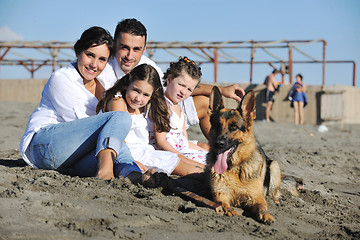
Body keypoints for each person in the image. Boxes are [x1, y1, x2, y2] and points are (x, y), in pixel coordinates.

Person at [20, 26, 156, 186]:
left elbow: (107, 136)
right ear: (78, 52)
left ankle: (133, 175)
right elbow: (89, 124)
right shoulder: (62, 78)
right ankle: (105, 172)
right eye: (90, 55)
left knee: (114, 149)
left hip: (72, 158)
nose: (94, 64)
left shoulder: (105, 84)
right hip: (45, 146)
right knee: (119, 118)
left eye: (102, 59)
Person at [99, 18, 245, 140]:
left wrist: (222, 90)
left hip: (158, 119)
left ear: (144, 49)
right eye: (124, 48)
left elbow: (176, 86)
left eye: (136, 49)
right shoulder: (103, 69)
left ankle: (219, 147)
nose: (130, 56)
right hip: (131, 128)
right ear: (114, 46)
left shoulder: (148, 65)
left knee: (205, 102)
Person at [96, 63, 205, 177]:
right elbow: (117, 137)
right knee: (185, 167)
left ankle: (212, 173)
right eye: (136, 90)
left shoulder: (144, 107)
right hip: (131, 154)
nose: (138, 98)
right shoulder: (118, 102)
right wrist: (130, 161)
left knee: (188, 163)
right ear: (126, 85)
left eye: (145, 95)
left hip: (148, 151)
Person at [148, 57, 209, 165]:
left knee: (210, 156)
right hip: (170, 153)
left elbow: (185, 142)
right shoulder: (162, 105)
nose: (183, 91)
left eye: (189, 89)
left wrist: (204, 151)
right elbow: (160, 142)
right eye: (181, 85)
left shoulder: (179, 108)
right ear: (169, 79)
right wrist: (182, 158)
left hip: (182, 151)